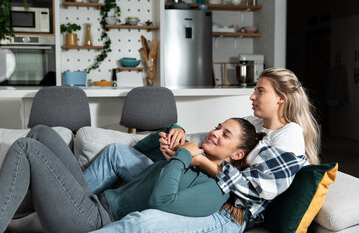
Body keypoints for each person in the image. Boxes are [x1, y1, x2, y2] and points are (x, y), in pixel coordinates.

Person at [87, 68, 318, 233]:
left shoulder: (289, 136)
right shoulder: (254, 123)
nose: (252, 96)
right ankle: (77, 205)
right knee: (117, 152)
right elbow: (208, 141)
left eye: (260, 90)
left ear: (281, 98)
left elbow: (255, 191)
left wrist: (195, 159)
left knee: (144, 223)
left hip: (227, 212)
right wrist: (178, 136)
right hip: (198, 181)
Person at [0, 117, 263, 233]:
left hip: (95, 220)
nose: (214, 132)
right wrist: (174, 129)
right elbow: (140, 148)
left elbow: (162, 201)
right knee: (42, 132)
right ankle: (14, 216)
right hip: (94, 200)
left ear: (238, 155)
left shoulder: (214, 191)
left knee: (26, 147)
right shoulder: (189, 160)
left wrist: (182, 157)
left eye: (225, 134)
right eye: (218, 127)